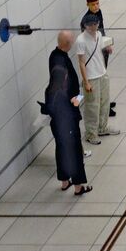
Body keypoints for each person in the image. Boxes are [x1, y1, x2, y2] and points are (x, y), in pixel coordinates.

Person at [46, 38, 91, 195]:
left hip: (57, 120)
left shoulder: (55, 56)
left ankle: (65, 181)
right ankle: (78, 186)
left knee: (61, 148)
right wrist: (74, 100)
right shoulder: (60, 85)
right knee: (74, 150)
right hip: (67, 120)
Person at [75, 17, 116, 145]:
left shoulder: (98, 34)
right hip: (91, 77)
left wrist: (107, 49)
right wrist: (86, 82)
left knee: (105, 103)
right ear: (85, 26)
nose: (93, 27)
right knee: (92, 106)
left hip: (102, 73)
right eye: (90, 25)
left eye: (95, 24)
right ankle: (91, 133)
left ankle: (102, 127)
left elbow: (98, 51)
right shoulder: (81, 40)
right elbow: (81, 62)